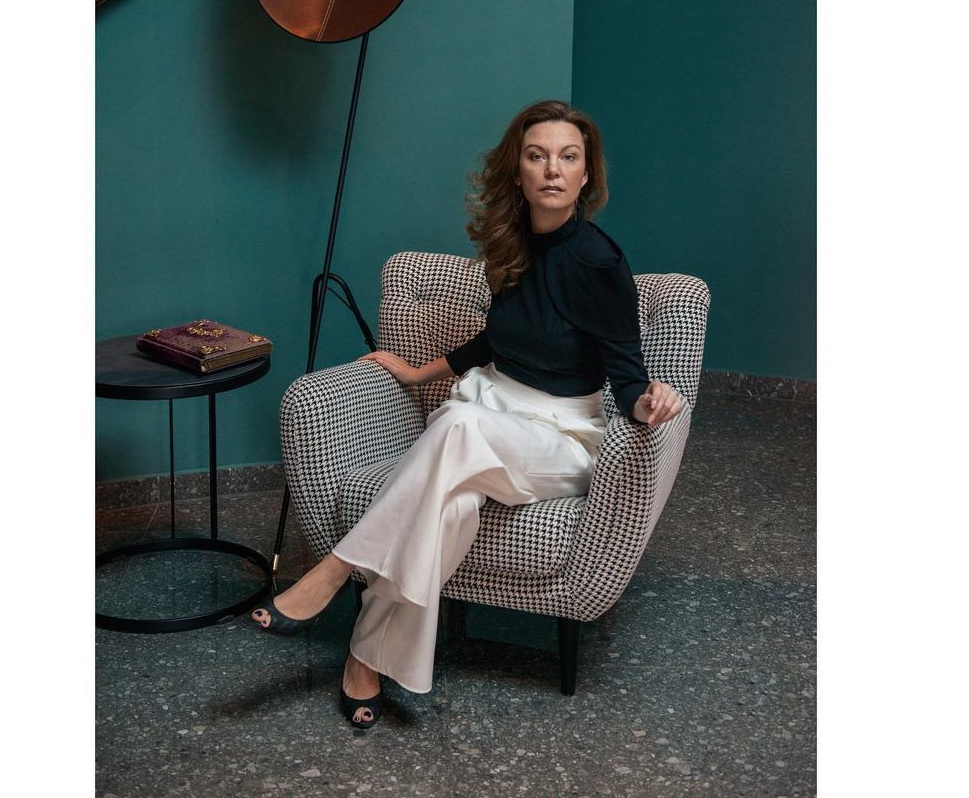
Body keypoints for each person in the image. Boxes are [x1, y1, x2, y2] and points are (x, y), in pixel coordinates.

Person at [251, 100, 683, 728]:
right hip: (488, 411)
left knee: (454, 426)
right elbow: (495, 341)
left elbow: (627, 372)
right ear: (519, 172)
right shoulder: (511, 242)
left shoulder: (599, 262)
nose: (553, 170)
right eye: (538, 156)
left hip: (560, 436)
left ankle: (336, 568)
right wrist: (417, 373)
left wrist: (653, 400)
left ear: (586, 174)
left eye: (569, 158)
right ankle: (364, 662)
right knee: (448, 506)